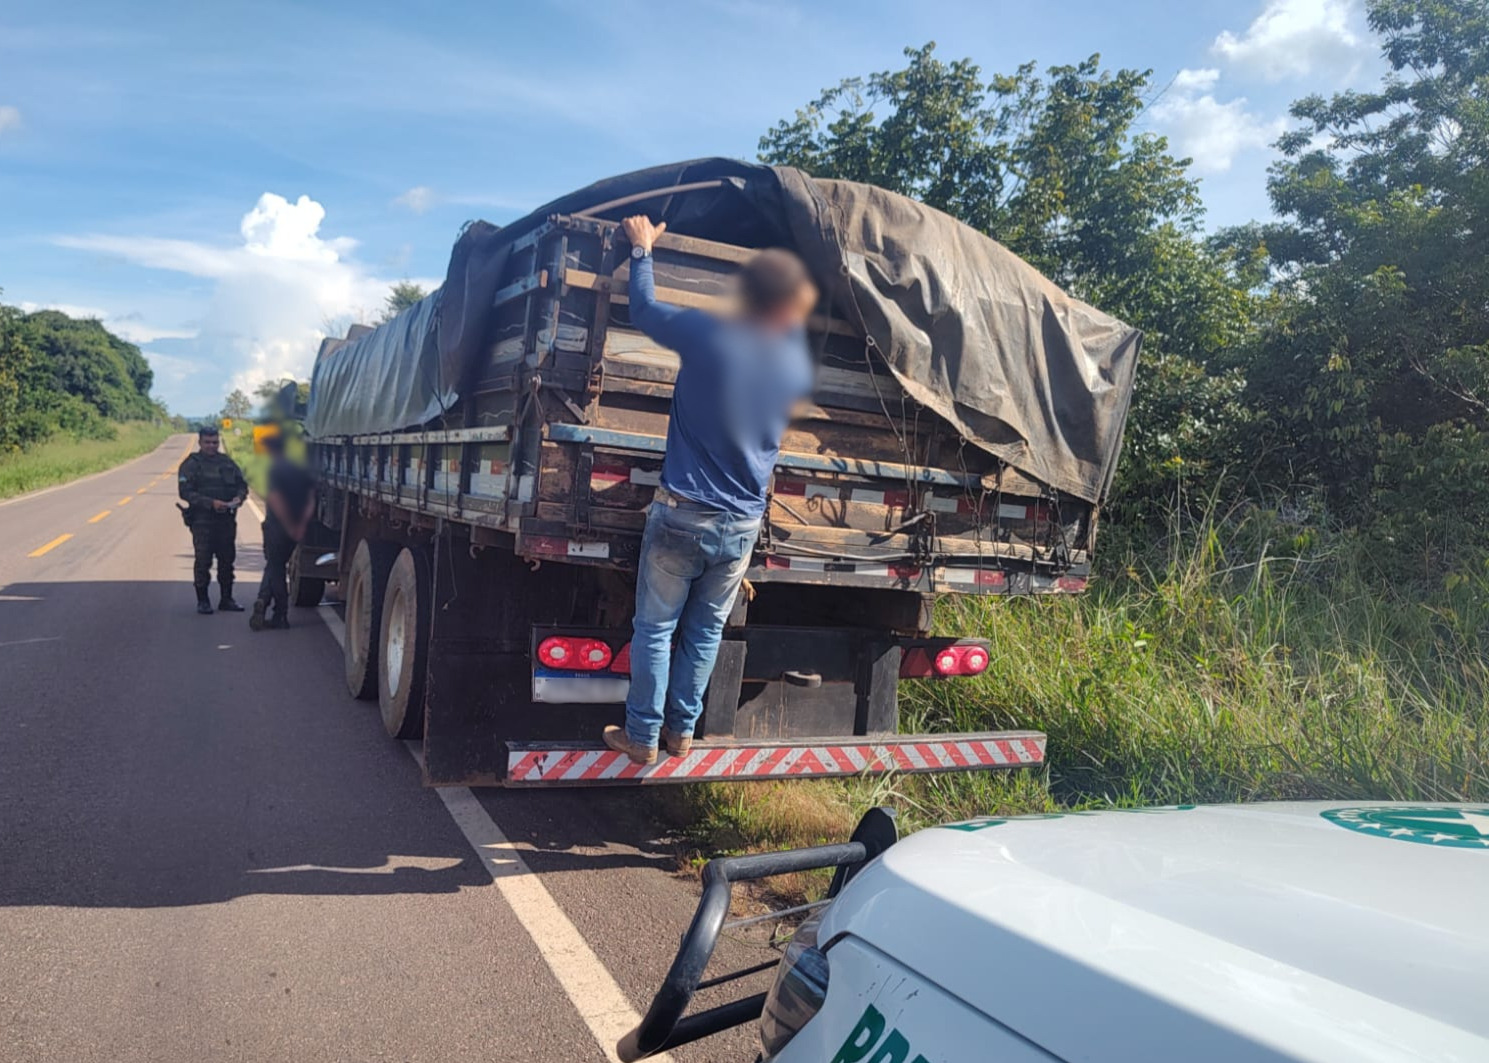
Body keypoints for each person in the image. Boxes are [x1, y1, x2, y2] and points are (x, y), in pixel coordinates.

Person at [602, 216, 817, 765]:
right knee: (704, 634)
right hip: (742, 525)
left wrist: (643, 250)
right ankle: (682, 734)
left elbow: (645, 311)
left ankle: (642, 738)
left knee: (655, 629)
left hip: (684, 514)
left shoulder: (710, 334)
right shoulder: (793, 364)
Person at [250, 432, 316, 632]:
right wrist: (301, 524)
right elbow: (310, 499)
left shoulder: (274, 470)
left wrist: (288, 523)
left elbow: (275, 500)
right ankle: (266, 602)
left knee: (275, 567)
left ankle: (278, 612)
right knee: (277, 565)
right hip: (296, 527)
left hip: (278, 527)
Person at [178, 425, 248, 615]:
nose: (211, 446)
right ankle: (203, 600)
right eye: (207, 442)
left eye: (215, 442)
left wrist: (238, 499)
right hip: (202, 520)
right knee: (203, 560)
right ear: (200, 442)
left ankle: (227, 599)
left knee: (227, 561)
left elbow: (242, 485)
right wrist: (210, 503)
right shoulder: (191, 464)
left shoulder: (227, 463)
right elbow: (185, 492)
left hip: (226, 520)